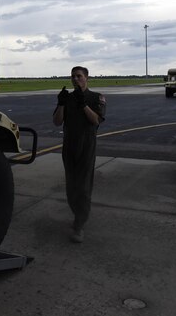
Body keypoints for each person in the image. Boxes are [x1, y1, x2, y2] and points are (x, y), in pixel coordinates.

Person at [53, 66, 106, 243]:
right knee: (71, 186)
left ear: (87, 78)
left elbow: (96, 120)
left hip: (87, 145)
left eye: (79, 76)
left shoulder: (95, 97)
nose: (76, 79)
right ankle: (78, 215)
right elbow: (57, 121)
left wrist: (83, 104)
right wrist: (61, 103)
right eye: (73, 76)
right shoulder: (68, 98)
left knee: (83, 187)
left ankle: (79, 225)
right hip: (69, 145)